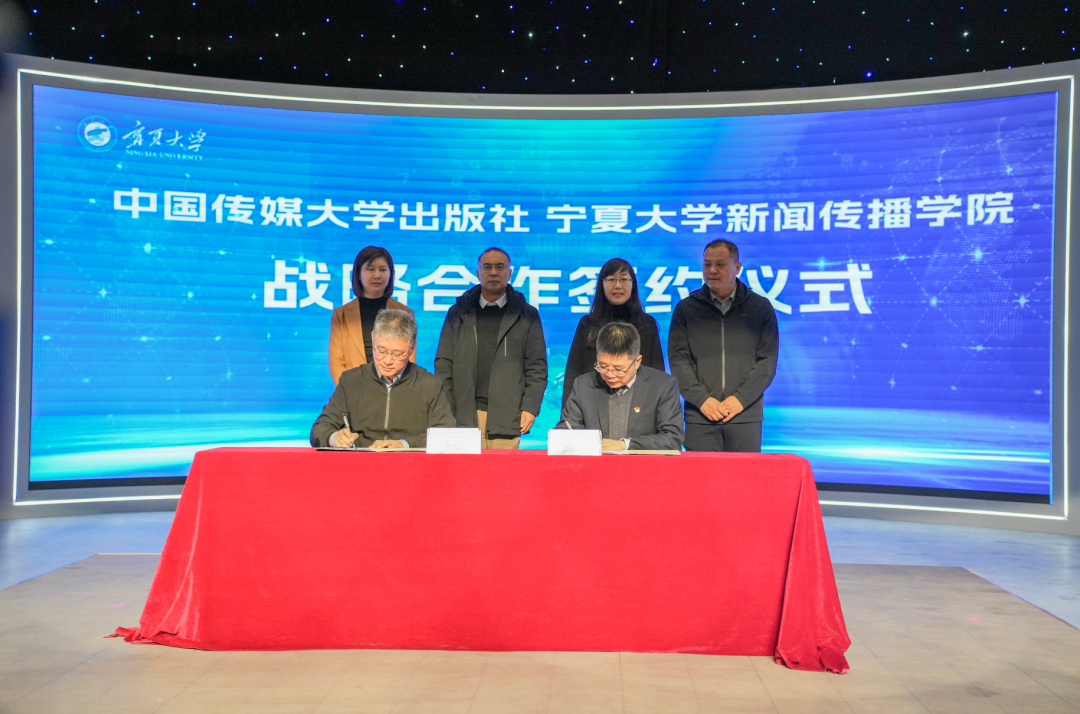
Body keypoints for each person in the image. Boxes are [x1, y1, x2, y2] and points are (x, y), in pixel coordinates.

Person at [668, 239, 779, 453]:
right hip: (701, 416)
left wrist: (740, 399)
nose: (712, 270)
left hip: (745, 415)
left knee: (744, 475)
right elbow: (679, 361)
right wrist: (702, 400)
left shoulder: (760, 308)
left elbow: (767, 362)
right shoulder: (685, 309)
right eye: (707, 264)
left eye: (720, 264)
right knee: (701, 475)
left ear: (737, 267)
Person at [434, 247, 548, 449]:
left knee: (503, 471)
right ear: (478, 273)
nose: (493, 272)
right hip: (463, 415)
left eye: (500, 267)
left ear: (510, 273)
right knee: (465, 470)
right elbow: (444, 363)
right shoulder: (458, 312)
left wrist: (530, 407)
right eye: (487, 267)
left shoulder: (527, 315)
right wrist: (447, 407)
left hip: (508, 415)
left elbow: (536, 367)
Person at [311, 309, 454, 449]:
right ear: (373, 338)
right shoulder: (351, 381)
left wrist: (405, 444)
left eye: (398, 354)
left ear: (412, 347)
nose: (387, 361)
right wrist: (334, 437)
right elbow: (319, 429)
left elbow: (446, 434)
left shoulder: (429, 384)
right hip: (361, 461)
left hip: (409, 461)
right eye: (381, 350)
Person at [560, 322, 683, 452]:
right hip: (595, 463)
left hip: (643, 464)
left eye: (618, 369)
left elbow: (672, 439)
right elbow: (564, 432)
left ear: (637, 362)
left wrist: (626, 445)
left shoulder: (663, 385)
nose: (609, 375)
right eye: (603, 366)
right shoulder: (583, 385)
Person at [562, 258, 665, 410]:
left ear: (633, 284)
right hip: (593, 407)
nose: (618, 285)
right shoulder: (588, 324)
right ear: (601, 284)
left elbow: (657, 373)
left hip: (638, 409)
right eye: (611, 279)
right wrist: (567, 416)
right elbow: (573, 372)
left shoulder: (647, 324)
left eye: (624, 279)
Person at [328, 246, 414, 385]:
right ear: (358, 274)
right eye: (370, 269)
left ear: (391, 274)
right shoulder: (341, 315)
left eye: (383, 269)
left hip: (393, 390)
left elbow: (408, 360)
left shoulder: (405, 313)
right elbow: (336, 362)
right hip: (353, 390)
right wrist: (349, 392)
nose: (377, 275)